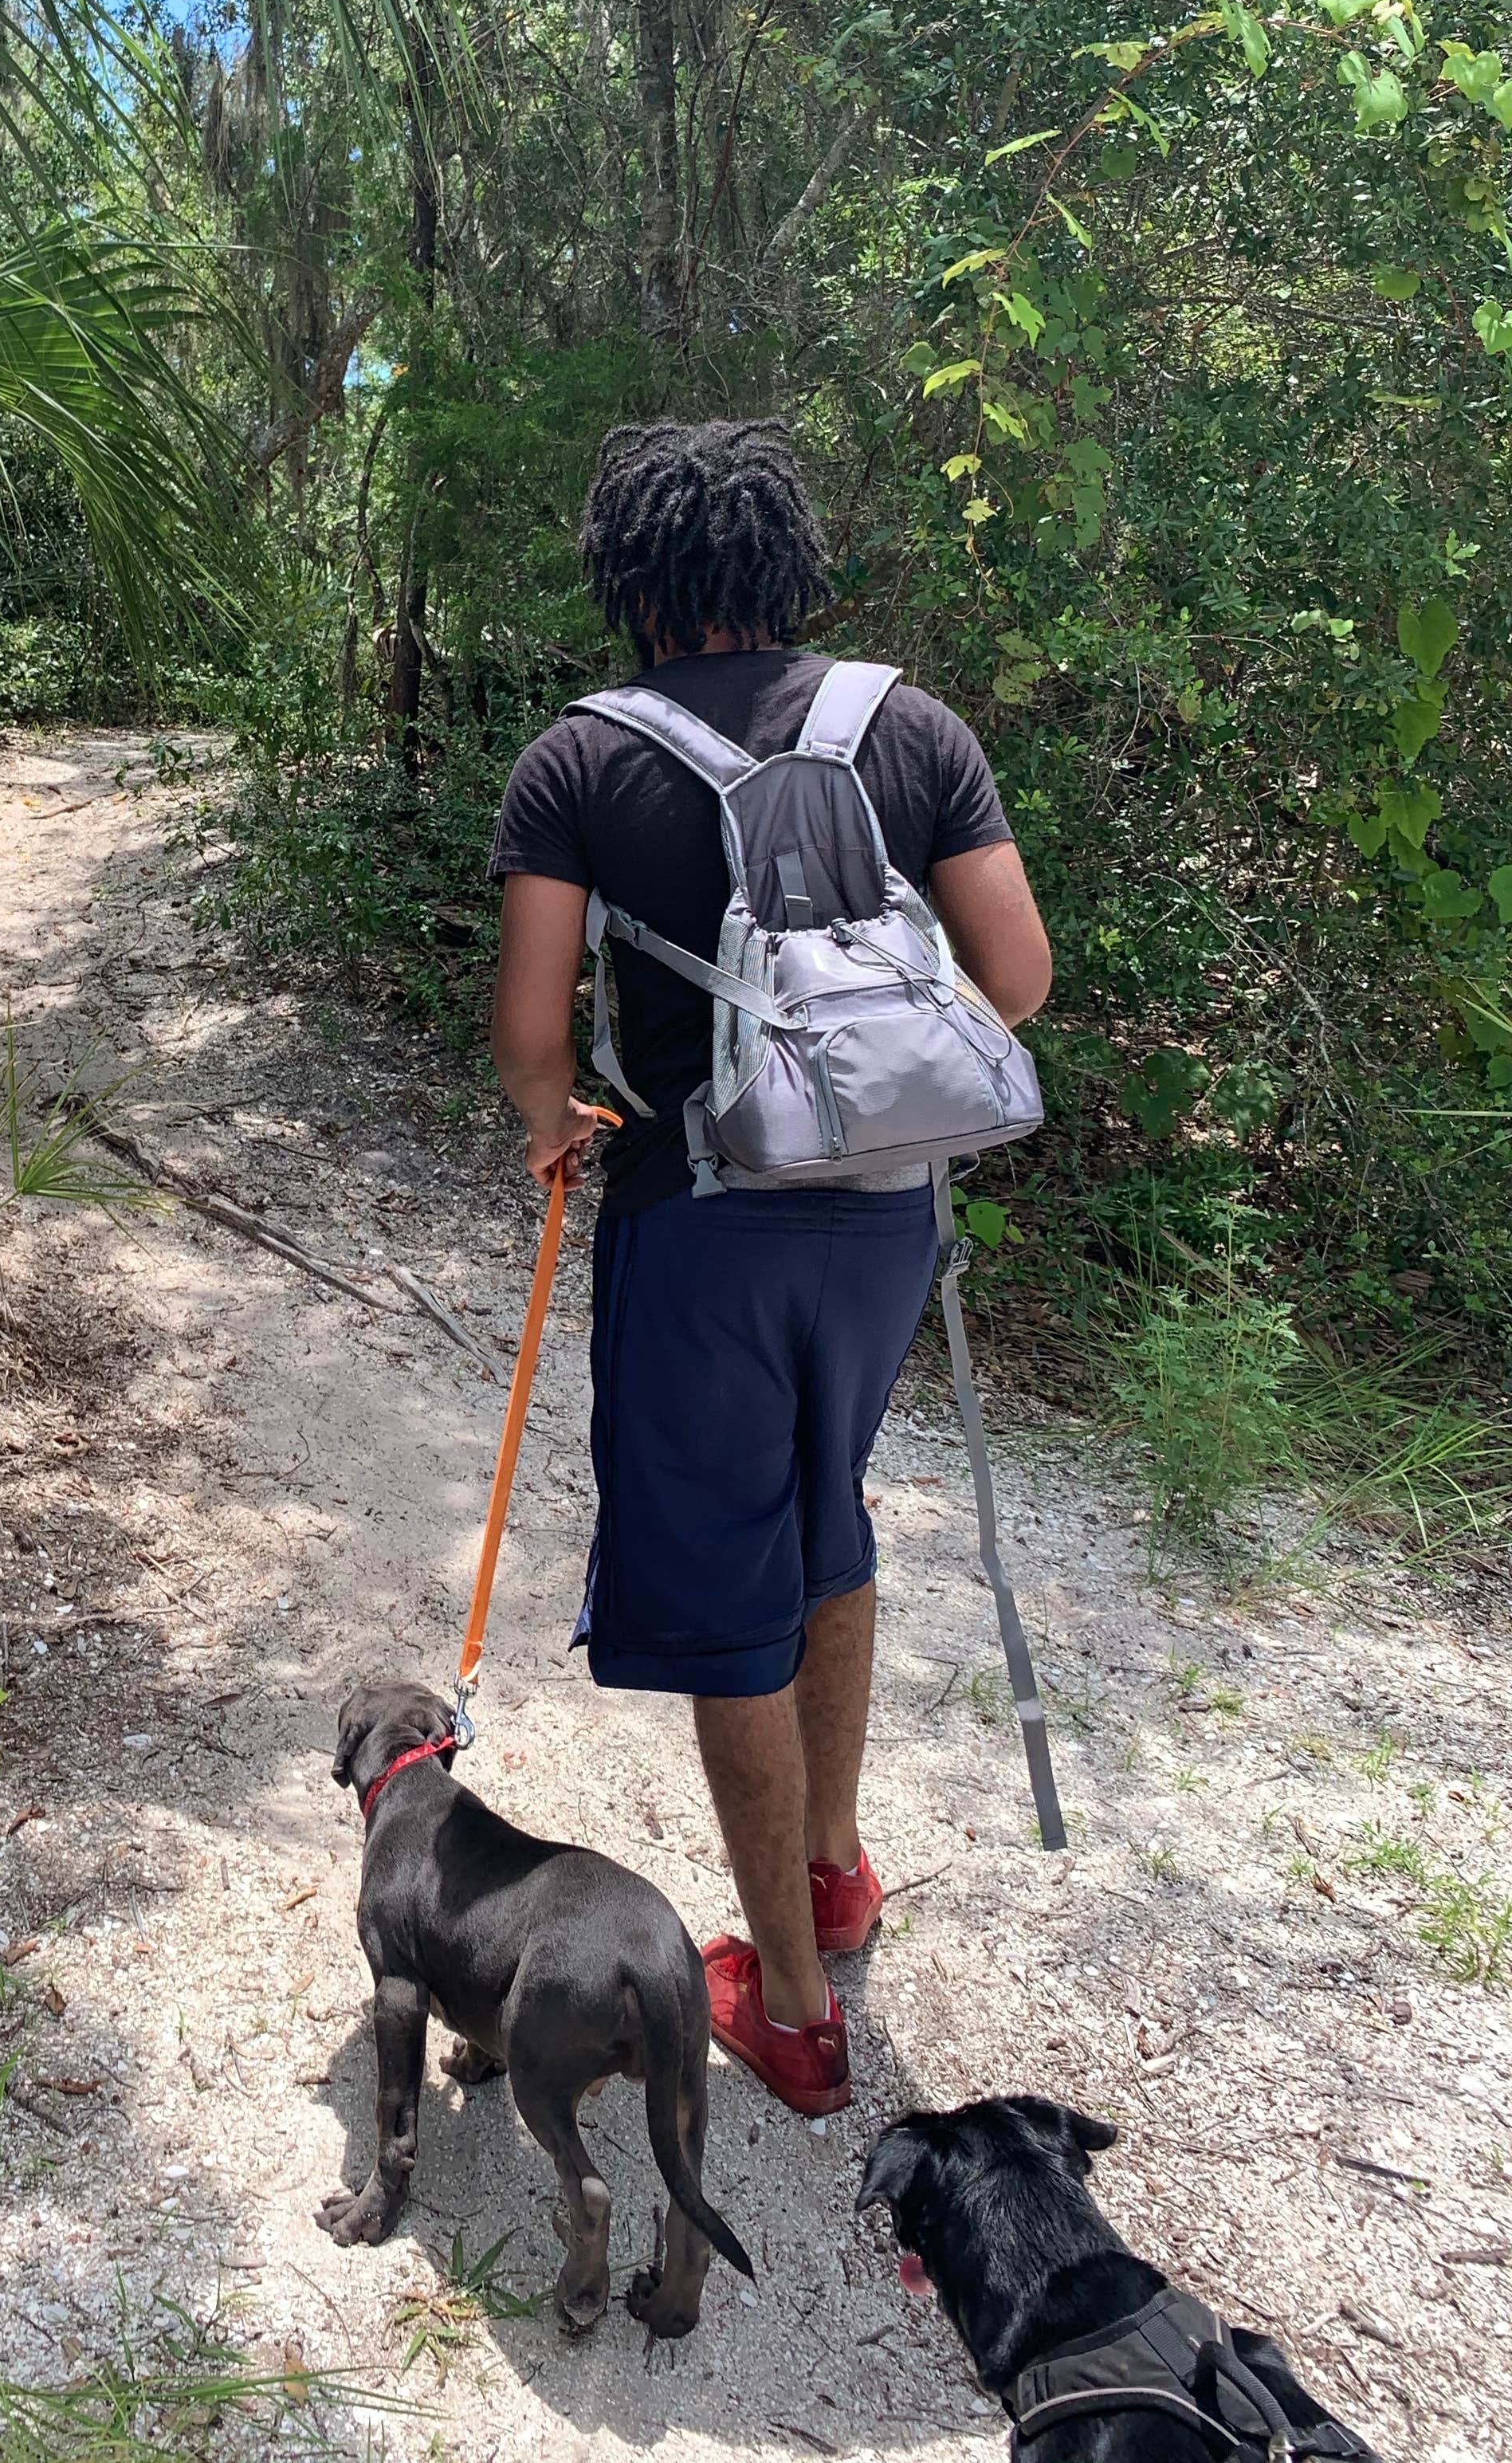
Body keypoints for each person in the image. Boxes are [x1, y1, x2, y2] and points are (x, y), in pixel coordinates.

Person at [487, 418, 1052, 2120]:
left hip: (697, 1223)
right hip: (885, 1221)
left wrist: (556, 1114)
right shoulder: (911, 725)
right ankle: (832, 1870)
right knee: (831, 1519)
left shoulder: (582, 761)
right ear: (787, 567)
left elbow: (531, 1033)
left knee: (731, 1578)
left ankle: (792, 2010)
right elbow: (1011, 980)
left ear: (634, 583)